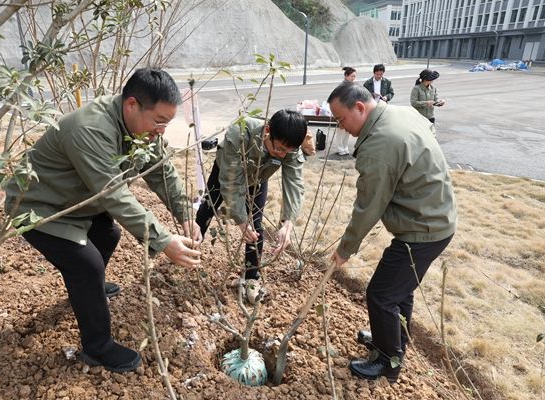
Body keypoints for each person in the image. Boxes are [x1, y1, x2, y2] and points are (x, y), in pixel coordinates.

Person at [5, 68, 202, 373]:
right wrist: (163, 241)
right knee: (87, 264)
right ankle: (97, 347)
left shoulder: (141, 129)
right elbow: (113, 194)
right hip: (40, 205)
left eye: (167, 122)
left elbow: (162, 171)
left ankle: (86, 291)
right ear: (132, 105)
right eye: (159, 121)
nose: (161, 130)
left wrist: (185, 214)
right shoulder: (91, 128)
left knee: (107, 237)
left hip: (75, 197)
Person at [327, 81, 457, 383]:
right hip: (435, 216)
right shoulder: (400, 113)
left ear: (360, 108)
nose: (341, 128)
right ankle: (394, 342)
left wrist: (345, 249)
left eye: (341, 119)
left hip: (424, 228)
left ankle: (388, 361)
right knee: (398, 291)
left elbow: (368, 207)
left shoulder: (378, 145)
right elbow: (429, 132)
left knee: (381, 295)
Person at [195, 110, 307, 303]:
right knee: (207, 209)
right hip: (227, 171)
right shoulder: (240, 132)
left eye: (286, 152)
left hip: (258, 178)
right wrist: (240, 220)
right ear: (267, 131)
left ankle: (251, 278)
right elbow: (231, 184)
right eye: (278, 148)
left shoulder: (289, 146)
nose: (281, 154)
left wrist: (288, 223)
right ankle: (190, 248)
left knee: (255, 227)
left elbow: (294, 184)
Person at [335, 67, 357, 156]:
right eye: (352, 76)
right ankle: (340, 148)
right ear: (346, 76)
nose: (353, 78)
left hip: (350, 111)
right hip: (342, 111)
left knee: (348, 130)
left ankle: (345, 147)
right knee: (341, 130)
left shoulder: (353, 85)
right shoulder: (341, 86)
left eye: (354, 76)